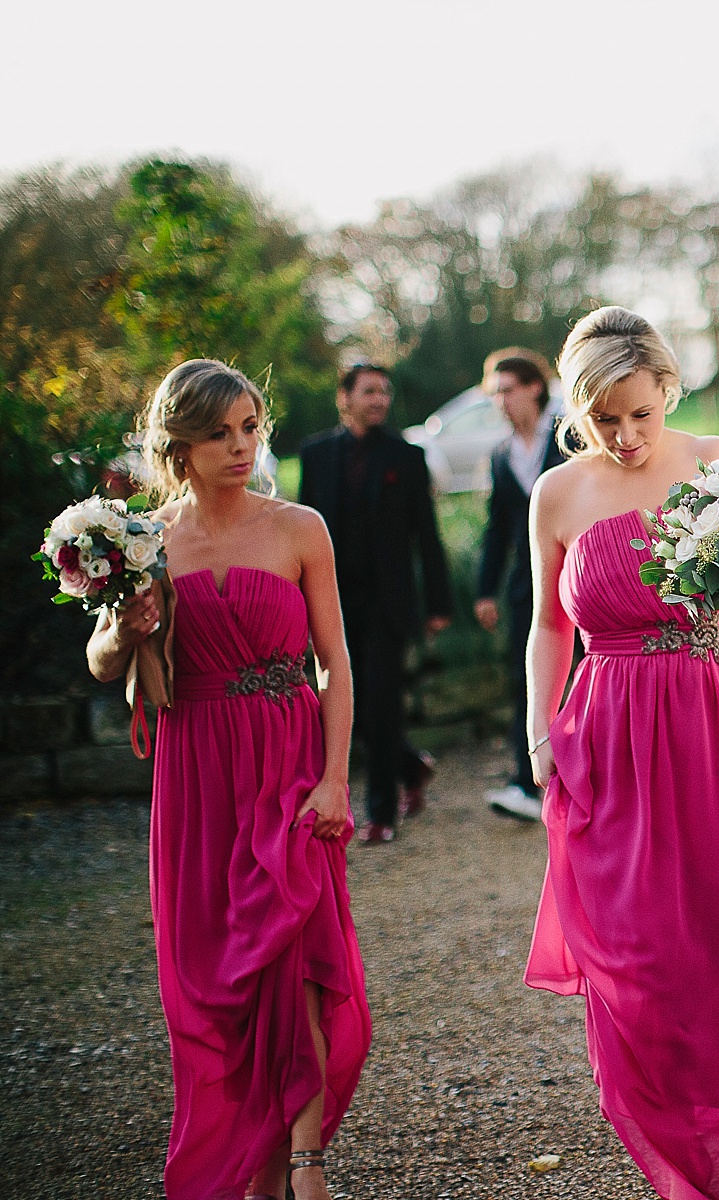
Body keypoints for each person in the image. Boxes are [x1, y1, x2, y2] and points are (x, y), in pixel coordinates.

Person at [521, 307, 719, 1199]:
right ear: (579, 408)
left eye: (641, 412)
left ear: (666, 392)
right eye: (606, 419)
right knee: (640, 963)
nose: (628, 435)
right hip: (609, 742)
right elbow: (545, 628)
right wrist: (539, 733)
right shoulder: (557, 495)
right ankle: (684, 1163)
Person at [87, 360, 371, 1200]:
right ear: (179, 444)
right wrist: (125, 623)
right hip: (197, 771)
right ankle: (251, 1159)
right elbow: (104, 663)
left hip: (288, 759)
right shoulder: (142, 541)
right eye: (220, 434)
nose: (242, 446)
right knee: (217, 973)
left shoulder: (299, 528)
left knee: (297, 954)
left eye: (251, 427)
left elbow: (337, 665)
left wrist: (334, 780)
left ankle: (308, 1164)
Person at [298, 364, 453, 843]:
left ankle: (381, 814)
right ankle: (411, 766)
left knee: (382, 704)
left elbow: (427, 534)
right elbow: (301, 530)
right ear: (344, 398)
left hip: (388, 604)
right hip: (334, 602)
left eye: (385, 392)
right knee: (348, 706)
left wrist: (438, 602)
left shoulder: (406, 457)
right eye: (369, 391)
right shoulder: (316, 454)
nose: (379, 400)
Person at [474, 346, 566, 823]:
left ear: (534, 387)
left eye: (507, 389)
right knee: (524, 677)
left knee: (583, 675)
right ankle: (525, 780)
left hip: (577, 578)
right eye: (494, 394)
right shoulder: (500, 456)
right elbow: (497, 528)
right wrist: (484, 590)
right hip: (525, 586)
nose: (500, 401)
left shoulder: (569, 438)